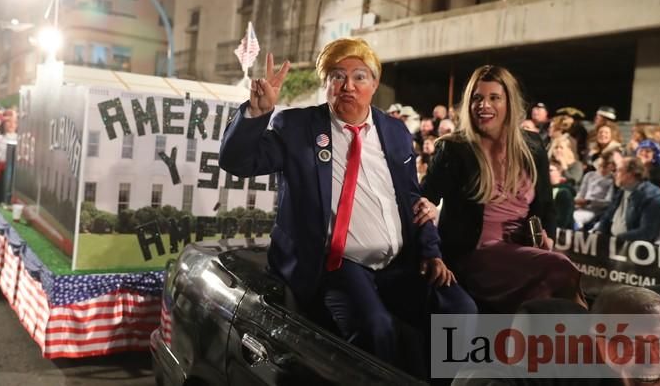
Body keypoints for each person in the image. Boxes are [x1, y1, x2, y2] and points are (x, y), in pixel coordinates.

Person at [219, 38, 477, 370]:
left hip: (400, 263)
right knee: (375, 328)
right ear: (324, 83)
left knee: (461, 310)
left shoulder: (396, 132)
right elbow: (237, 161)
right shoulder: (296, 127)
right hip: (338, 265)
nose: (348, 86)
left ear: (375, 84)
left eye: (360, 76)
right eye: (337, 75)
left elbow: (413, 199)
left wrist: (431, 252)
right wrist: (257, 113)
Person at [421, 65, 585, 313]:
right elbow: (425, 202)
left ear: (509, 102)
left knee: (551, 290)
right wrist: (429, 253)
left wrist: (546, 237)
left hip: (522, 249)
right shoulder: (454, 149)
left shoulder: (532, 145)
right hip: (473, 255)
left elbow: (545, 206)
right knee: (561, 268)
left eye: (494, 98)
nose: (484, 105)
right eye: (477, 98)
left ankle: (558, 348)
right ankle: (588, 347)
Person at [591, 156, 660, 243]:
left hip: (632, 248)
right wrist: (600, 231)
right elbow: (607, 216)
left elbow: (647, 232)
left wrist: (616, 240)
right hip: (612, 243)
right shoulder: (622, 190)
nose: (614, 174)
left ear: (631, 174)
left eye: (618, 170)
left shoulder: (653, 197)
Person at [574, 151, 616, 229]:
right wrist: (577, 201)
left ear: (612, 166)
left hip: (596, 211)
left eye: (605, 166)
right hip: (580, 207)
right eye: (600, 165)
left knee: (576, 218)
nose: (601, 168)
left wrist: (589, 202)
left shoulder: (612, 180)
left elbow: (608, 202)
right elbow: (581, 193)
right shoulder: (589, 175)